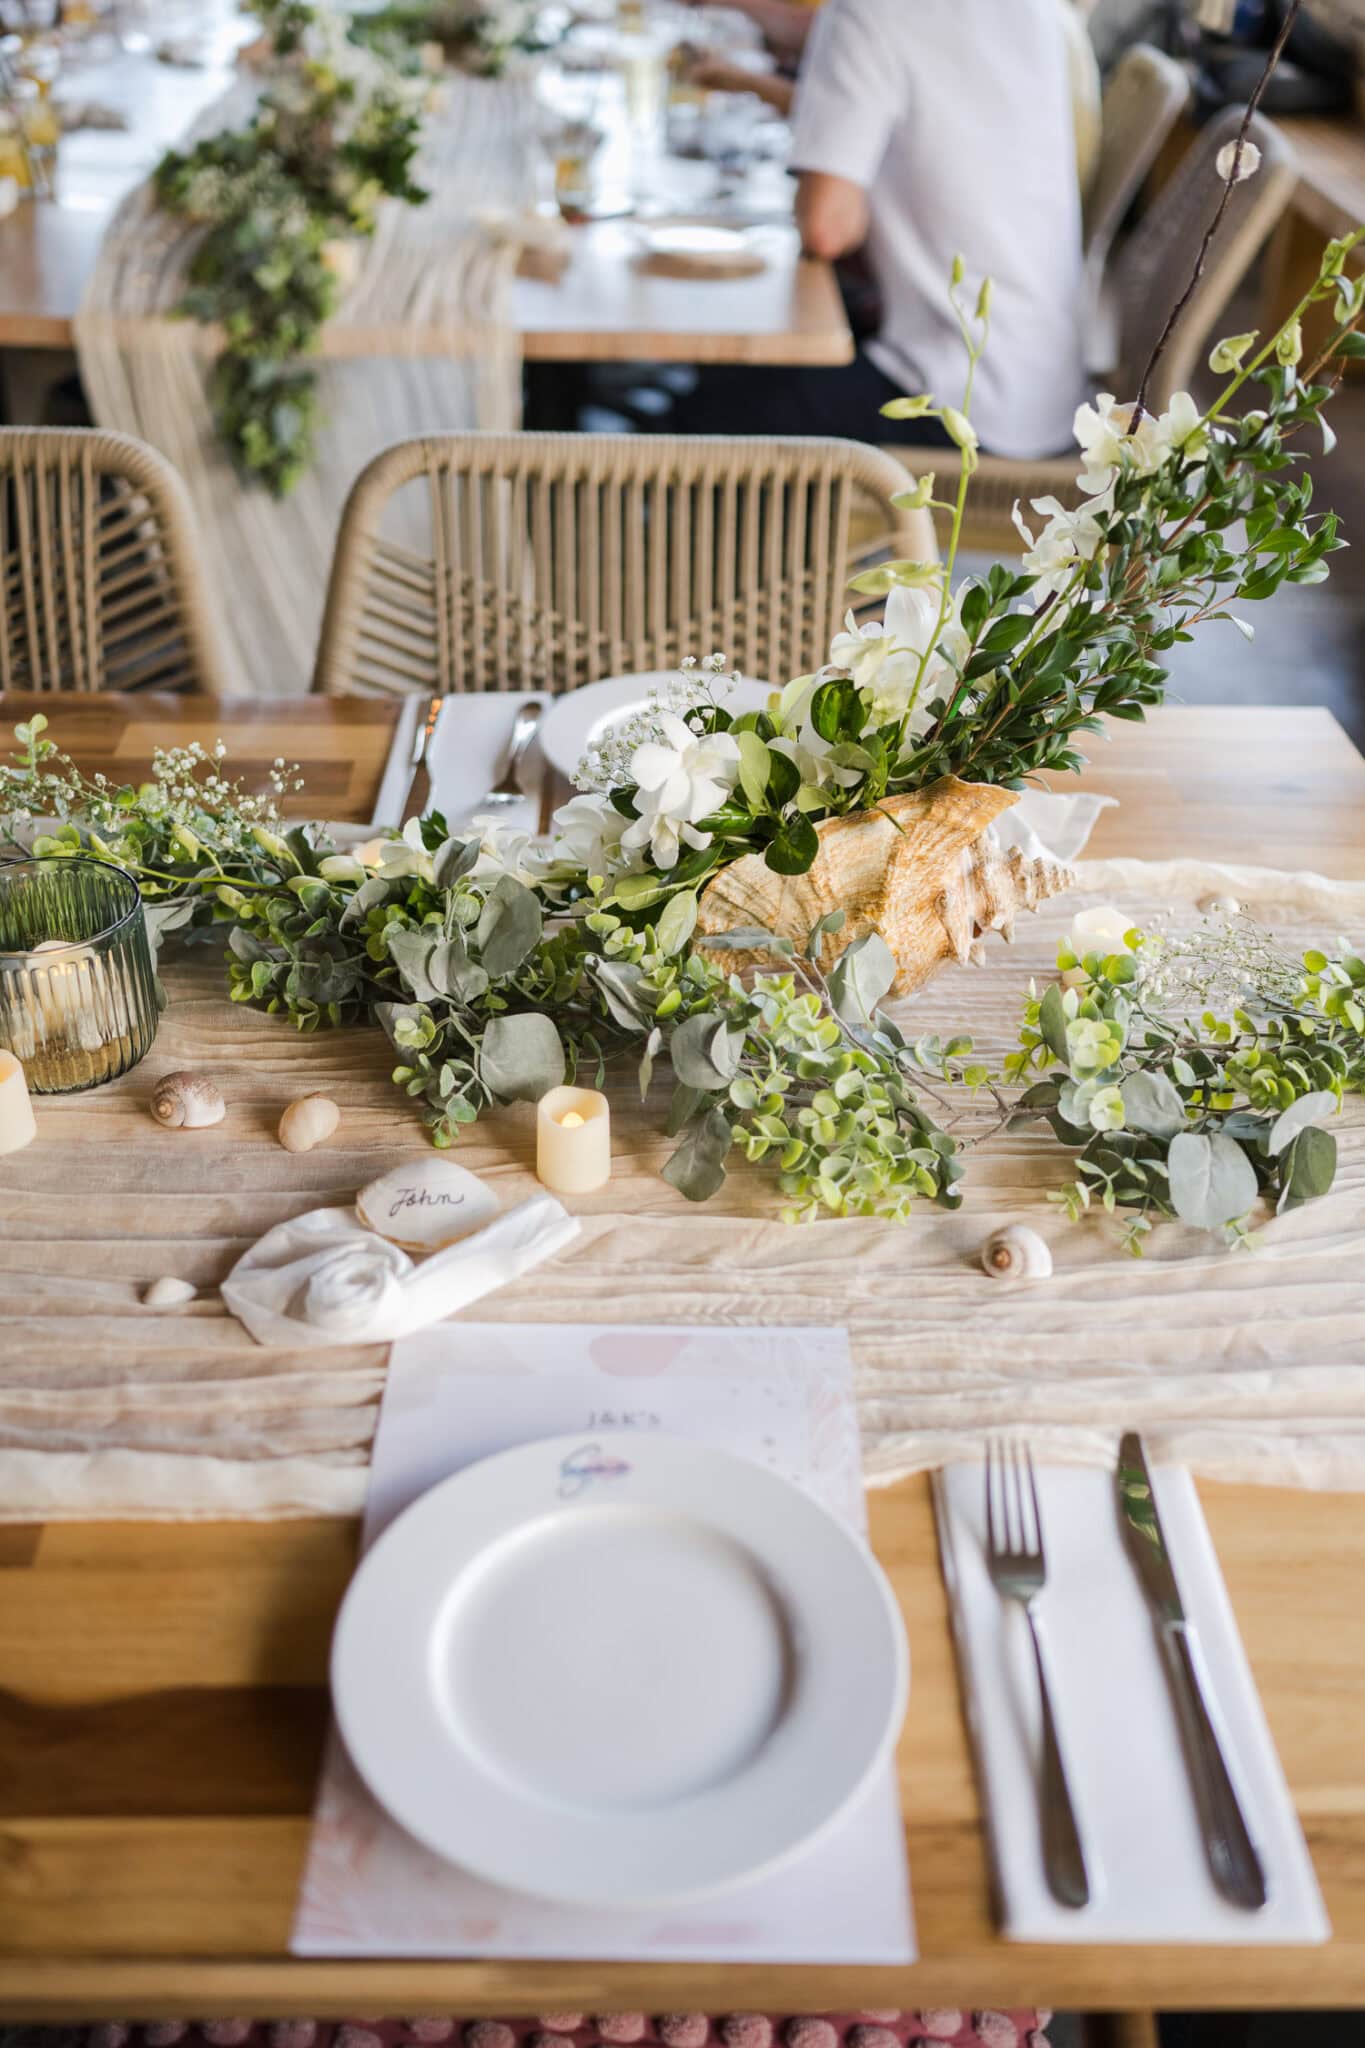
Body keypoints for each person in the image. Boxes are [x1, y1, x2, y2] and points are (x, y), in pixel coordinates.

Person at [674, 0, 1086, 459]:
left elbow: (827, 229)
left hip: (960, 408)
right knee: (753, 354)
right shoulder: (1035, 9)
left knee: (704, 416)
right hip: (1048, 393)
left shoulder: (867, 12)